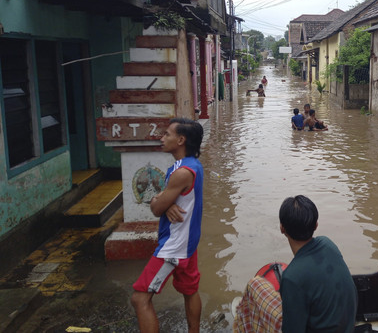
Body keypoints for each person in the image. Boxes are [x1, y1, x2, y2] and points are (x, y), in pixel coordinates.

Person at [233, 195, 357, 333]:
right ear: (316, 225)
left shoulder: (292, 277)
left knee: (254, 285)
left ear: (282, 228)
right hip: (348, 327)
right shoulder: (328, 244)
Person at [131, 118, 204, 333]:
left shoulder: (181, 173)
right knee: (190, 291)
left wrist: (161, 202)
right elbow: (170, 201)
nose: (162, 138)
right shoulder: (193, 165)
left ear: (181, 140)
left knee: (139, 298)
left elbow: (155, 208)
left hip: (173, 246)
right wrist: (167, 202)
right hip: (188, 242)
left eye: (167, 134)